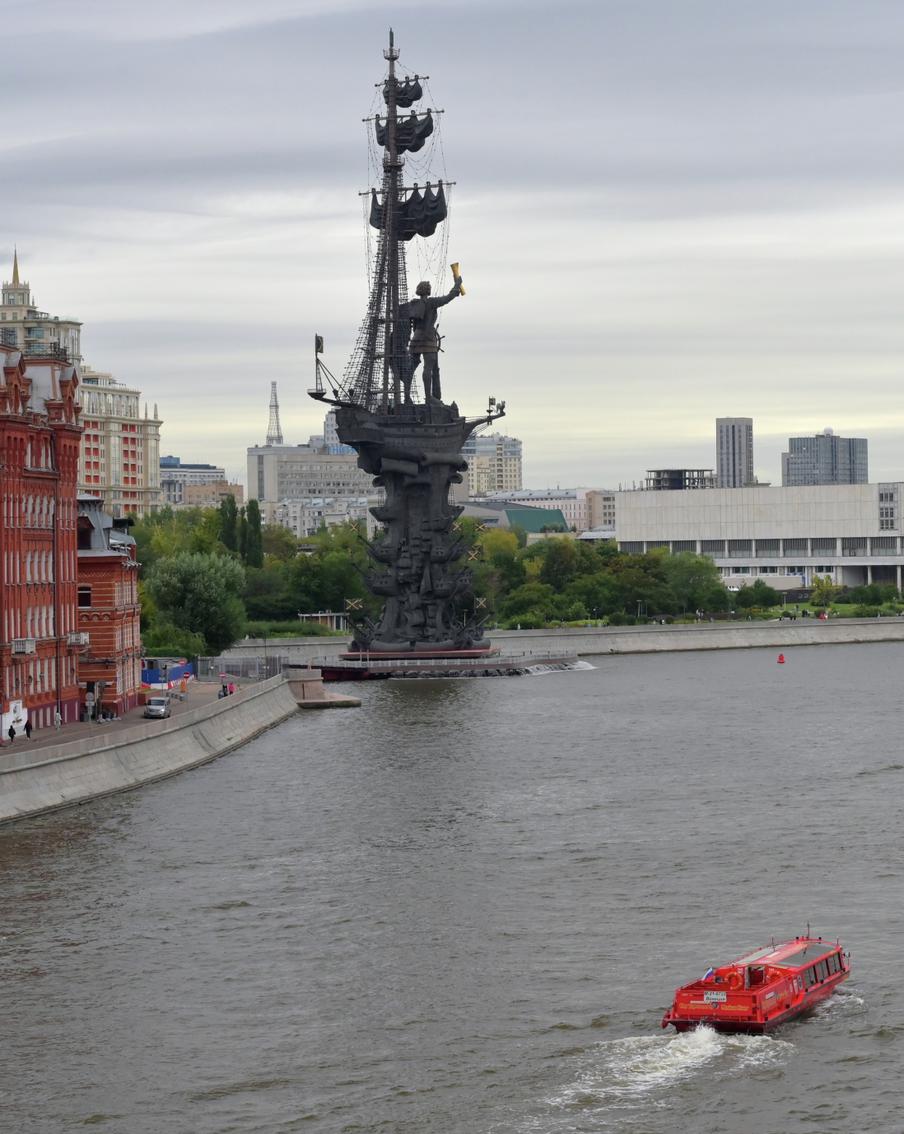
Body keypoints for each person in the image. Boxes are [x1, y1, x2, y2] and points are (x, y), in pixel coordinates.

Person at [398, 275, 462, 403]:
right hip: (428, 338)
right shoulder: (432, 302)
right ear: (428, 290)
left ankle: (406, 397)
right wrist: (457, 285)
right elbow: (448, 298)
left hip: (416, 338)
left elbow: (399, 312)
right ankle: (428, 398)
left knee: (410, 367)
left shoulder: (413, 304)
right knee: (428, 367)